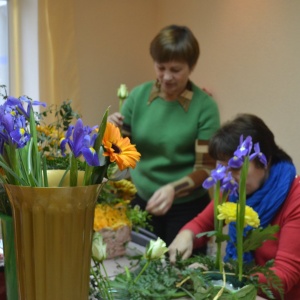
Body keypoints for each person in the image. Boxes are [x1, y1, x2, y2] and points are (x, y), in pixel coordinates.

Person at [108, 24, 220, 246]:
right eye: (161, 68)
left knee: (182, 275)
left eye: (176, 70)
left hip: (187, 206)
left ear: (192, 66)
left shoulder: (204, 107)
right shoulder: (138, 97)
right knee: (140, 269)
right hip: (142, 200)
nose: (166, 77)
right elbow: (121, 153)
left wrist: (173, 189)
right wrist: (111, 131)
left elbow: (206, 168)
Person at [168, 113, 300, 299]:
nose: (227, 177)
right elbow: (202, 224)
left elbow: (284, 277)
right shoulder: (234, 189)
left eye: (236, 167)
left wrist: (218, 276)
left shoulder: (296, 197)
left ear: (265, 160)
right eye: (222, 167)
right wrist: (186, 235)